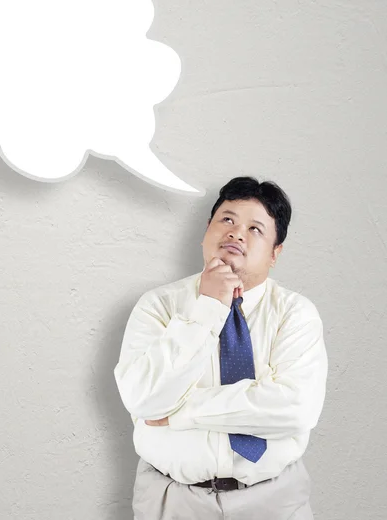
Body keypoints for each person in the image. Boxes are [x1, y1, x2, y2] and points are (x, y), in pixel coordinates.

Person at [114, 176, 328, 520]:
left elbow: (295, 408)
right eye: (226, 220)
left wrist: (181, 412)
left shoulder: (295, 313)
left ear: (275, 253)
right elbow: (143, 400)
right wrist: (209, 308)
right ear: (206, 232)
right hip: (172, 500)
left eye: (255, 228)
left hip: (273, 499)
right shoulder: (157, 306)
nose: (236, 233)